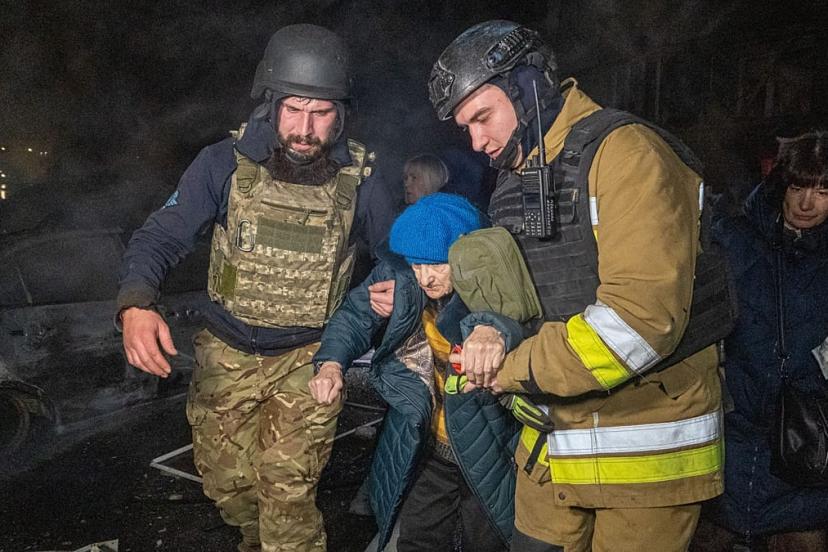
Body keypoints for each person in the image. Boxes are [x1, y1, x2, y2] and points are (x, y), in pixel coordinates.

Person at [368, 20, 729, 551]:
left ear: (530, 86)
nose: (477, 141)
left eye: (483, 117)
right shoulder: (520, 174)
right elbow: (517, 297)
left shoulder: (627, 156)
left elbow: (639, 324)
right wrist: (476, 323)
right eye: (465, 128)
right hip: (550, 448)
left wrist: (512, 368)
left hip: (640, 456)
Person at [116, 24, 393, 552]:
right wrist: (136, 303)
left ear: (342, 114)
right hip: (226, 353)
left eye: (322, 113)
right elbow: (161, 236)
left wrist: (393, 286)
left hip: (312, 355)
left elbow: (397, 256)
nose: (306, 128)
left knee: (286, 495)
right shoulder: (222, 163)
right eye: (294, 109)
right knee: (230, 486)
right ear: (271, 104)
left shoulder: (363, 177)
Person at [309, 193, 523, 552]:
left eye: (436, 265)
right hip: (428, 447)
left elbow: (519, 322)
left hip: (490, 447)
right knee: (418, 539)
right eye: (416, 265)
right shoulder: (404, 276)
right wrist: (331, 364)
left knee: (489, 542)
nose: (425, 278)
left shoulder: (502, 278)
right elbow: (354, 316)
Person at [696, 131, 828, 551]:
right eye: (798, 187)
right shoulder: (732, 238)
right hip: (729, 431)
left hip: (806, 444)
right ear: (780, 185)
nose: (807, 203)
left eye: (823, 190)